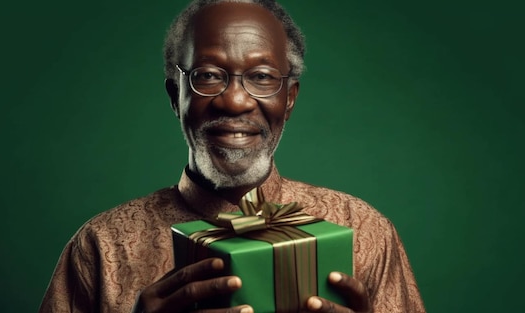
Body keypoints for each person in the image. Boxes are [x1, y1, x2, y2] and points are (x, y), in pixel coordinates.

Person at [39, 0, 426, 312]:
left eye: (261, 76)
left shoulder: (366, 233)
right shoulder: (100, 246)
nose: (235, 101)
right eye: (208, 75)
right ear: (176, 96)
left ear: (288, 99)